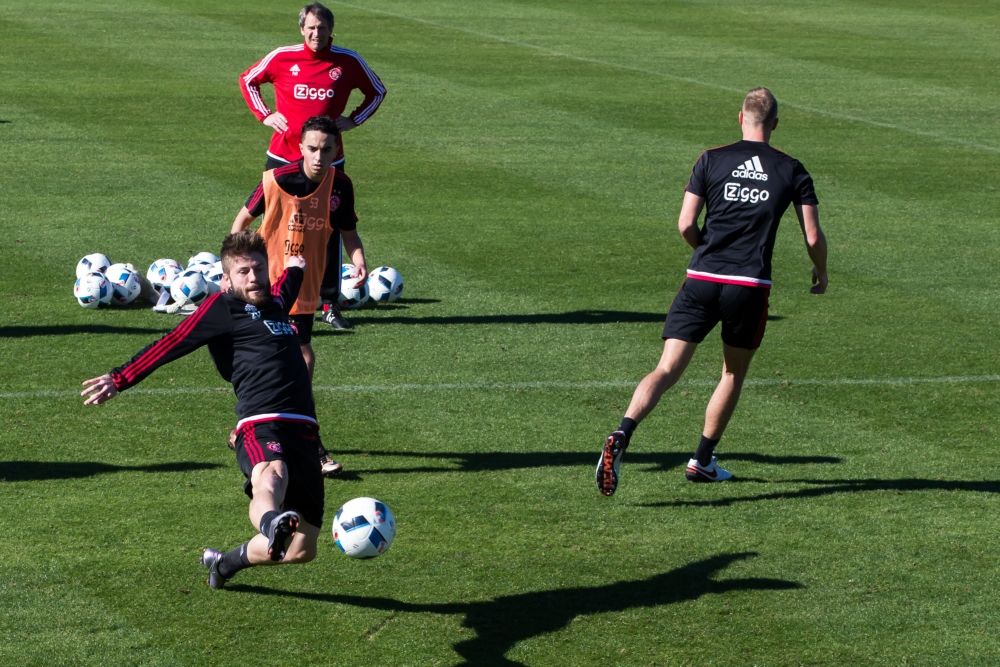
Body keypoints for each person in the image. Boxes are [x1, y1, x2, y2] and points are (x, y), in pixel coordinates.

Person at [596, 87, 829, 496]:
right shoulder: (792, 170)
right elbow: (811, 234)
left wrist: (706, 252)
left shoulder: (711, 159)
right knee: (732, 373)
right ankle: (702, 461)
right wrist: (820, 271)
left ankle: (623, 430)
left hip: (701, 279)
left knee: (666, 369)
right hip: (748, 286)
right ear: (775, 124)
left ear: (740, 118)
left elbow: (686, 223)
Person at [81, 231, 325, 589]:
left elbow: (287, 285)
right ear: (226, 279)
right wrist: (119, 379)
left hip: (305, 430)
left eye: (258, 268)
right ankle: (270, 519)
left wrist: (294, 267)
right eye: (243, 272)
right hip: (261, 423)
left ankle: (224, 563)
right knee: (271, 475)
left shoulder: (275, 302)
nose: (253, 277)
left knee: (301, 549)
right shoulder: (221, 308)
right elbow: (173, 342)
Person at [232, 115, 367, 477]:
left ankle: (251, 425)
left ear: (338, 150)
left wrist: (359, 261)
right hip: (267, 283)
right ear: (300, 148)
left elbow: (349, 232)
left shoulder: (341, 186)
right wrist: (235, 272)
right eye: (312, 148)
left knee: (285, 360)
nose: (319, 156)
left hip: (303, 290)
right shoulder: (277, 179)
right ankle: (310, 443)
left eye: (326, 149)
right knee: (298, 359)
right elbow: (241, 222)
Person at [239, 1, 386, 331]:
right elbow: (248, 80)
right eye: (310, 28)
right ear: (301, 29)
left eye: (322, 28)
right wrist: (265, 114)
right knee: (272, 226)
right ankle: (263, 295)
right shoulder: (282, 57)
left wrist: (354, 120)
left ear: (331, 30)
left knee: (329, 229)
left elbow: (377, 91)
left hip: (329, 160)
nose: (316, 33)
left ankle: (330, 303)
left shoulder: (347, 61)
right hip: (283, 158)